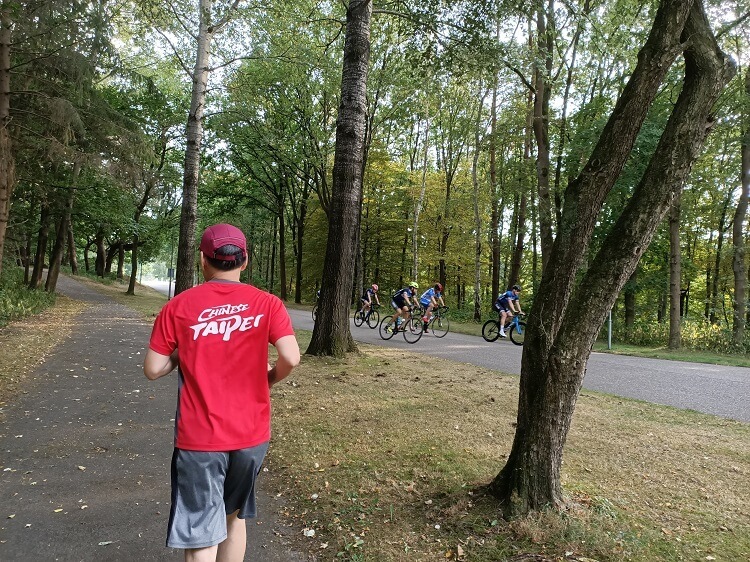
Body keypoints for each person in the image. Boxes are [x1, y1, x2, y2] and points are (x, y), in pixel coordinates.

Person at [143, 223, 300, 562]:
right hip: (251, 435)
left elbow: (153, 369)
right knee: (233, 517)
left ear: (203, 260)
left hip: (200, 438)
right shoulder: (268, 304)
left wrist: (181, 350)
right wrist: (269, 378)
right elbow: (291, 357)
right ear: (245, 261)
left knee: (202, 529)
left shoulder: (179, 306)